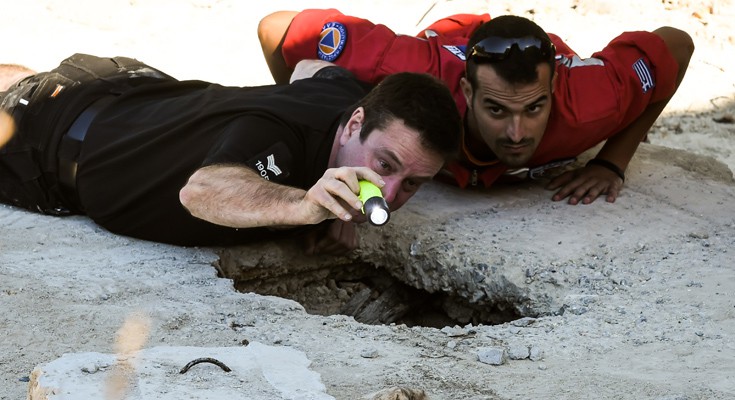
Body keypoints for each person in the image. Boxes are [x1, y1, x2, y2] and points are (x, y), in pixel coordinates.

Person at [0, 54, 461, 253]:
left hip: (133, 88)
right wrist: (304, 205)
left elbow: (312, 68)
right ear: (356, 124)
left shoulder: (347, 98)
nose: (391, 191)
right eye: (385, 165)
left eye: (413, 183)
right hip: (49, 141)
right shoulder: (274, 133)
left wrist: (345, 195)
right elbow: (202, 190)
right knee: (23, 90)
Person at [258, 10, 694, 204]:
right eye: (497, 110)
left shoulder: (592, 101)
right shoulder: (405, 71)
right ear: (465, 93)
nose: (518, 134)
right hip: (446, 43)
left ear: (556, 88)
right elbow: (277, 29)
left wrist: (612, 162)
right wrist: (331, 158)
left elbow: (678, 43)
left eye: (535, 108)